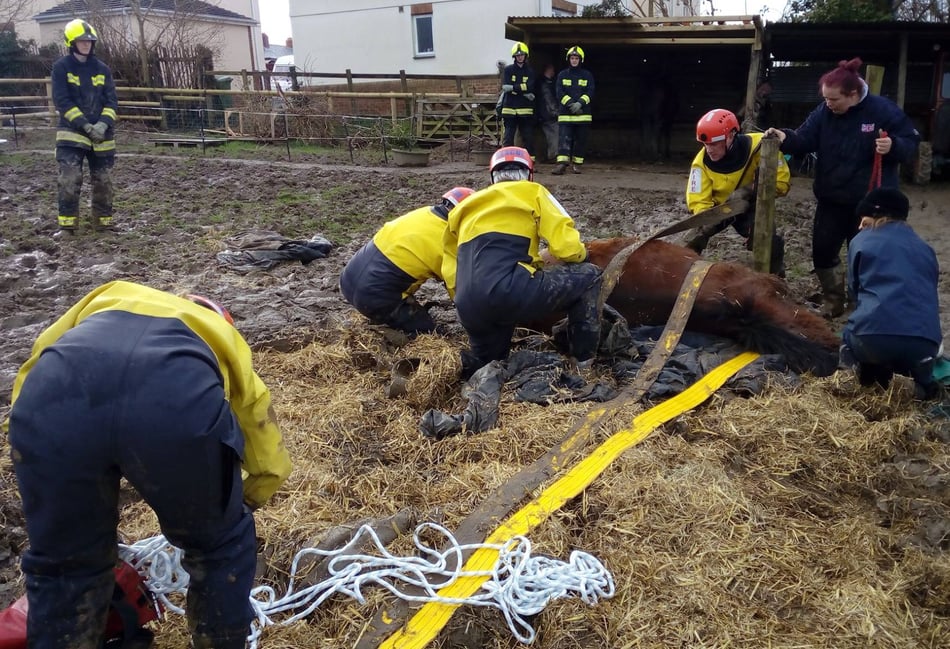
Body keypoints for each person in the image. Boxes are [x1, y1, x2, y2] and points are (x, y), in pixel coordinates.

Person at [6, 281, 293, 648]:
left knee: (65, 566)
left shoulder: (109, 293)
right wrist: (241, 502)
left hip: (51, 400)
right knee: (221, 547)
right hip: (173, 403)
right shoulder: (221, 335)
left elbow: (36, 361)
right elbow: (264, 442)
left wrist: (32, 447)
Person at [764, 57, 920, 317]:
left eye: (834, 99)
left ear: (853, 94)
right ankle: (833, 300)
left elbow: (911, 141)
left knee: (866, 256)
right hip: (831, 197)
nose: (828, 104)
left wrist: (894, 146)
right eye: (826, 99)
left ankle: (861, 305)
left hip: (870, 203)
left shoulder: (882, 111)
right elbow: (805, 138)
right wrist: (784, 136)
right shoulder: (824, 113)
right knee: (823, 252)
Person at [442, 146, 603, 378]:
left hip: (467, 304)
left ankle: (446, 369)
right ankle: (583, 364)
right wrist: (581, 256)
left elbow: (450, 266)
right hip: (509, 291)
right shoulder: (533, 192)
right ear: (529, 175)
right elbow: (566, 247)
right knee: (590, 277)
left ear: (492, 176)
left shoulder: (465, 207)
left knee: (489, 367)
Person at [839, 188, 943, 400]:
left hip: (872, 338)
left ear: (879, 218)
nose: (860, 227)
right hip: (925, 342)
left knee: (847, 337)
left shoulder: (861, 241)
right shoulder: (926, 248)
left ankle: (848, 380)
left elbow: (854, 291)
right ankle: (919, 390)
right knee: (922, 379)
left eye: (864, 221)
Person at [339, 187, 475, 335]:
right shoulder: (448, 240)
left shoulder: (424, 213)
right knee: (431, 334)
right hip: (375, 297)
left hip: (347, 279)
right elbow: (459, 290)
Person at [686, 108, 791, 277]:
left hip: (753, 205)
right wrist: (703, 222)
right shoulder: (700, 164)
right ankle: (681, 274)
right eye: (705, 144)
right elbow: (698, 201)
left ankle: (775, 280)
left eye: (714, 143)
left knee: (771, 243)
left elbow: (782, 184)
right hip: (719, 208)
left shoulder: (762, 145)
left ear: (730, 135)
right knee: (690, 238)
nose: (709, 149)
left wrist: (749, 190)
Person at [51, 19, 119, 233]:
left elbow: (111, 101)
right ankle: (68, 227)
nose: (86, 44)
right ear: (71, 42)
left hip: (102, 136)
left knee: (104, 181)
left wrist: (102, 124)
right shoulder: (61, 68)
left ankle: (103, 224)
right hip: (71, 134)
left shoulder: (102, 69)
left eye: (89, 41)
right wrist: (85, 126)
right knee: (70, 179)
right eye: (81, 41)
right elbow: (62, 101)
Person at [552, 45, 594, 175]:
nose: (574, 60)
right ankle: (562, 165)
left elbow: (591, 91)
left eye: (576, 58)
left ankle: (577, 165)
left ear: (580, 60)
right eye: (572, 58)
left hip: (583, 116)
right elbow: (559, 92)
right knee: (564, 139)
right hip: (566, 115)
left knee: (580, 141)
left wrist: (580, 103)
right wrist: (571, 104)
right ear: (568, 59)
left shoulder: (587, 75)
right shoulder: (562, 75)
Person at [500, 42, 537, 157]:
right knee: (508, 138)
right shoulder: (508, 70)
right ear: (514, 57)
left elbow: (530, 87)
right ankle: (507, 161)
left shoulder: (530, 71)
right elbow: (506, 87)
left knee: (528, 138)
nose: (520, 57)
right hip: (509, 109)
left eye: (522, 55)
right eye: (517, 55)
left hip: (525, 111)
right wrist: (524, 92)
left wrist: (513, 88)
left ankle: (530, 162)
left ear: (526, 56)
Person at [536, 62, 560, 163]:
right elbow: (549, 100)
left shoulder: (542, 82)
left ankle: (544, 156)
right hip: (548, 115)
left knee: (547, 136)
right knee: (554, 134)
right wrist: (556, 112)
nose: (554, 72)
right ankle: (553, 156)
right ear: (549, 70)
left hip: (542, 114)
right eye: (552, 70)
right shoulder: (545, 84)